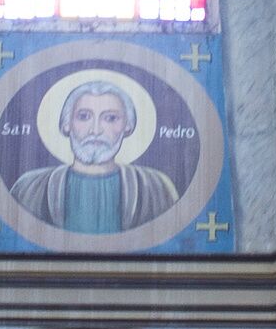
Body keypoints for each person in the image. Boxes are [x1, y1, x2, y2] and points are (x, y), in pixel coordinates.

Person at [10, 72, 180, 236]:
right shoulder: (29, 188)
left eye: (110, 118)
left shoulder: (156, 188)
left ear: (127, 126)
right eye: (84, 116)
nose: (96, 130)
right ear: (67, 124)